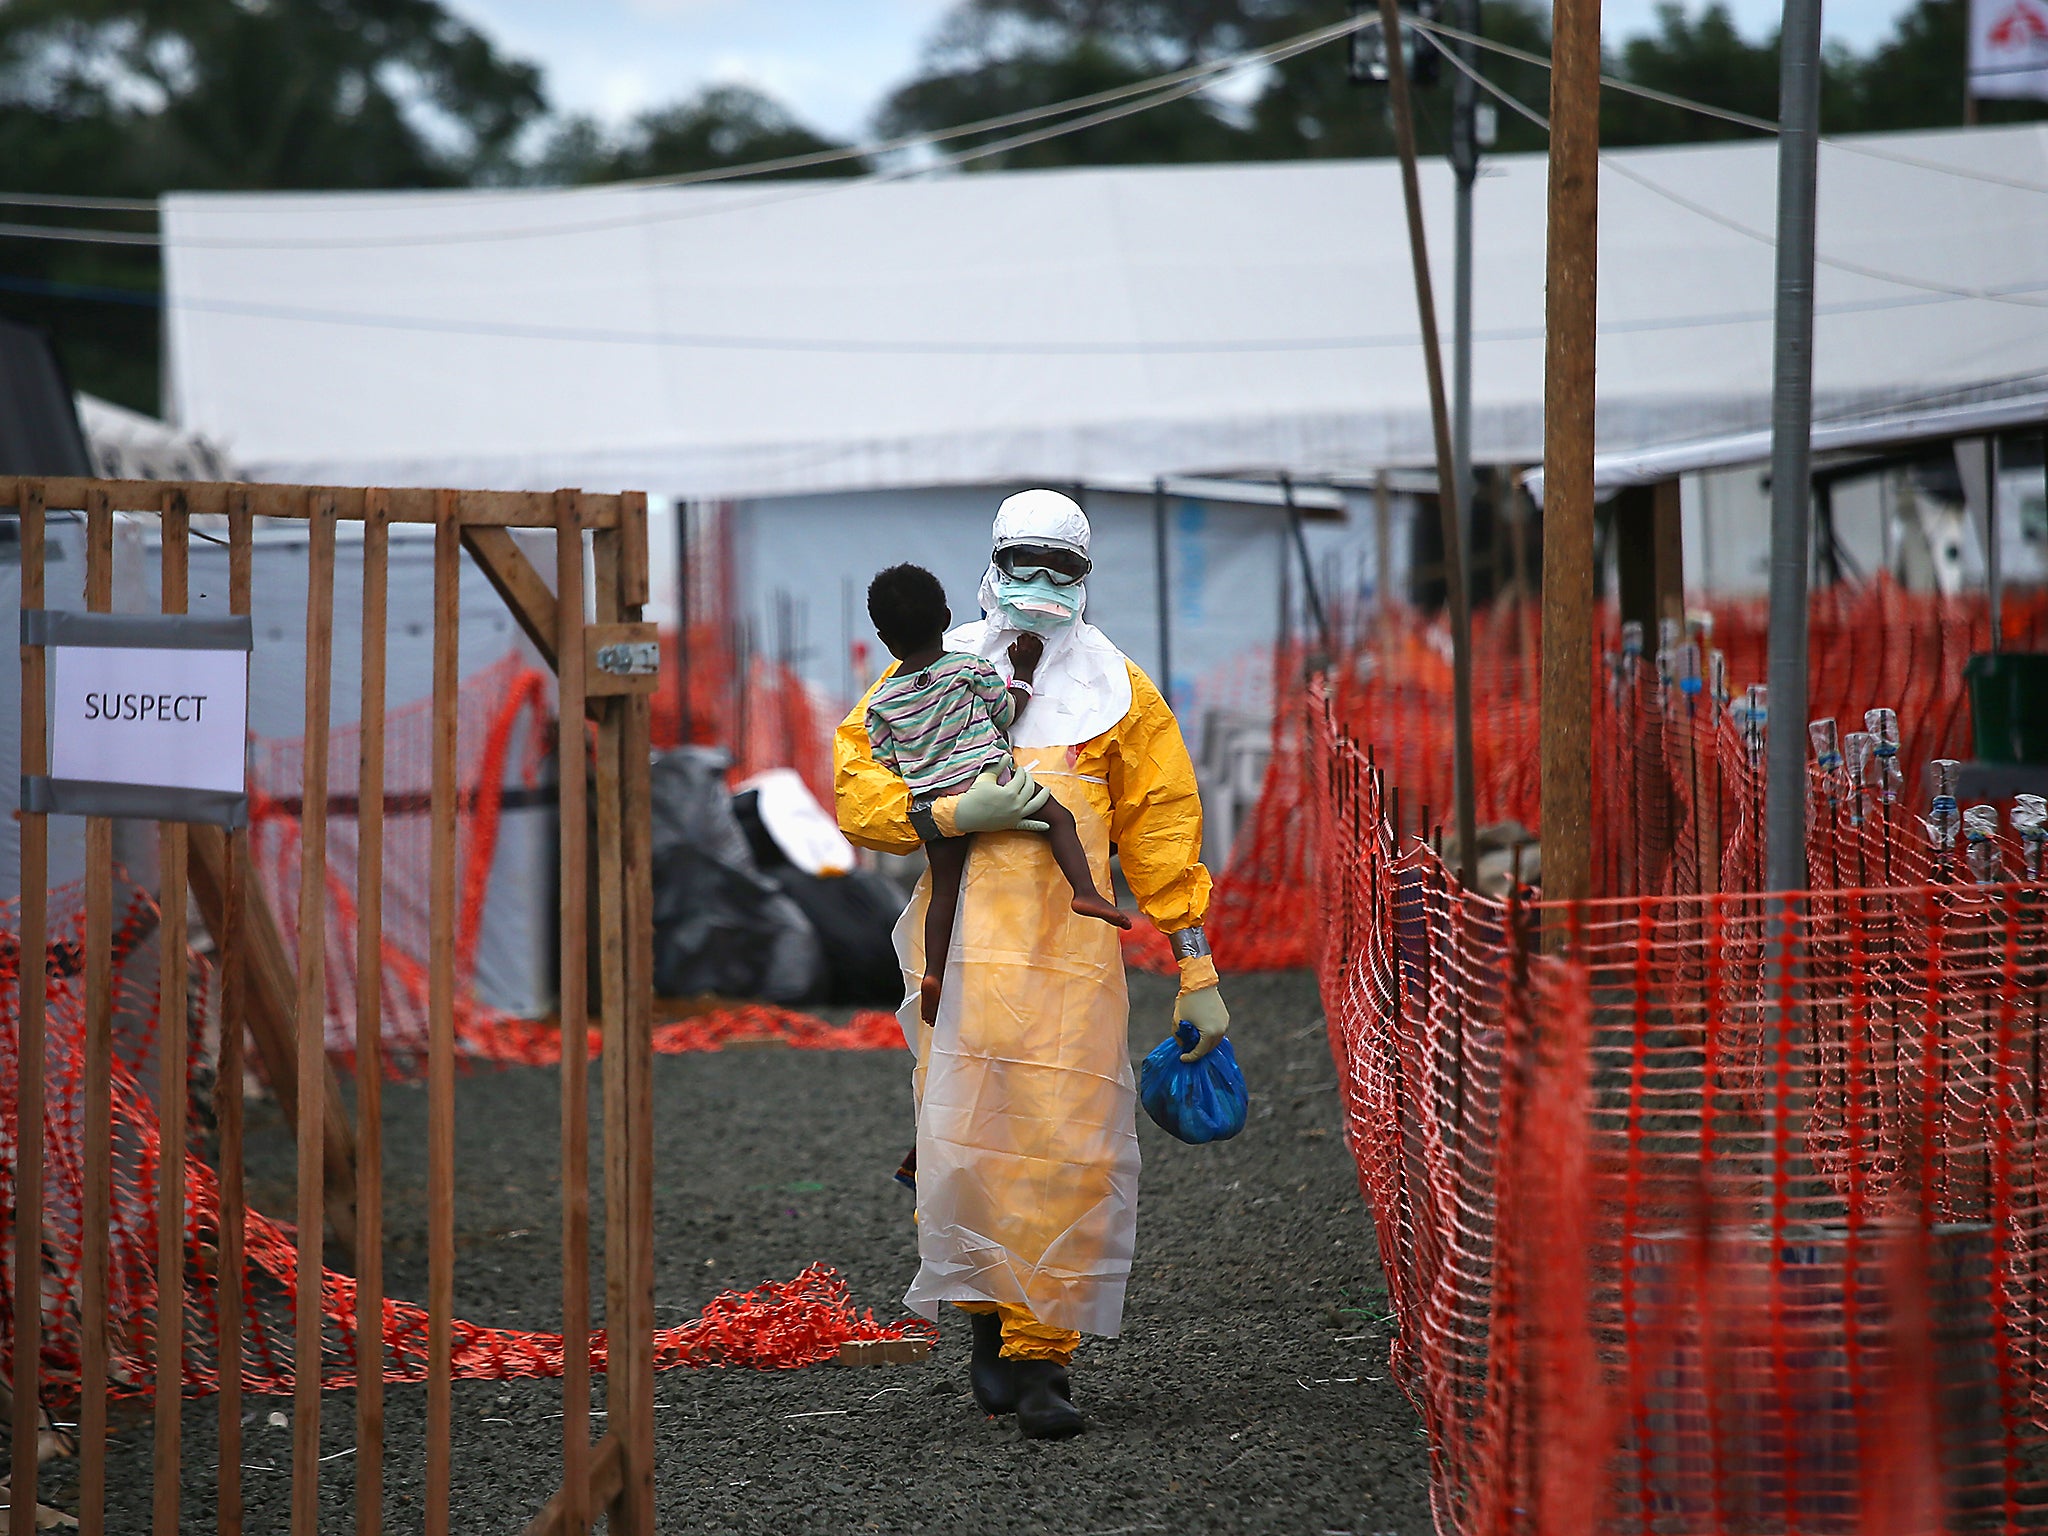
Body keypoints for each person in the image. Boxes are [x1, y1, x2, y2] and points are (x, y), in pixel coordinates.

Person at [835, 488, 1232, 1441]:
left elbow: (1164, 828)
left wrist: (1195, 964)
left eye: (1063, 568)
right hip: (959, 963)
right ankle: (984, 1317)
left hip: (1070, 970)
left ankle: (1042, 1357)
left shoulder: (1121, 694)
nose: (1041, 584)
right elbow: (859, 788)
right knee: (968, 1143)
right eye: (1026, 562)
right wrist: (939, 817)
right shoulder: (926, 673)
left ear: (1087, 577)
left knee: (1066, 1146)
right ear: (992, 561)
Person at [862, 562, 1131, 1028]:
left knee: (944, 888)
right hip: (994, 781)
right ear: (946, 618)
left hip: (938, 804)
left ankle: (933, 972)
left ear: (885, 639)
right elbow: (1007, 712)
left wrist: (927, 763)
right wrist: (1023, 670)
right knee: (1058, 819)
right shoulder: (968, 669)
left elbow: (883, 759)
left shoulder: (882, 701)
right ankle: (1086, 892)